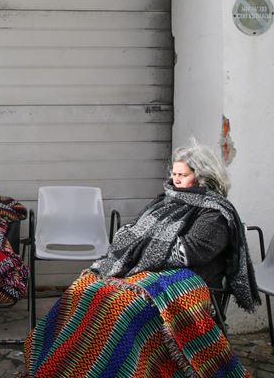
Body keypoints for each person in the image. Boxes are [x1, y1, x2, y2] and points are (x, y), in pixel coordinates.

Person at [25, 140, 260, 377]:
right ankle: (65, 366)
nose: (175, 179)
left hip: (189, 282)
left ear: (202, 177)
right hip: (153, 272)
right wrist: (137, 242)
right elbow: (132, 232)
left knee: (122, 307)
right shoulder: (167, 200)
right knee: (87, 289)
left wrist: (138, 244)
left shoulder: (215, 213)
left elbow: (188, 251)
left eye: (182, 175)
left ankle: (113, 369)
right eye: (174, 173)